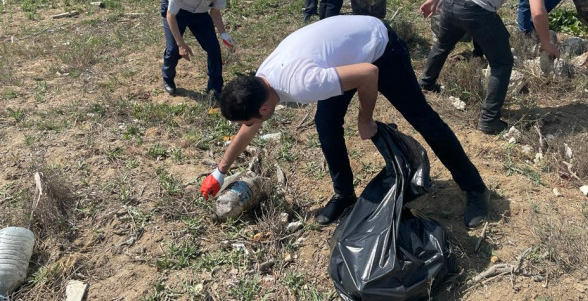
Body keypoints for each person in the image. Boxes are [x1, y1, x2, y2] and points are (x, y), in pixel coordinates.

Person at [201, 15, 490, 228]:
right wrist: (220, 171)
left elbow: (368, 74)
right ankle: (344, 195)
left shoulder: (303, 83)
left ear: (264, 108)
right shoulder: (261, 80)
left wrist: (365, 119)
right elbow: (249, 126)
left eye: (251, 119)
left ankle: (475, 188)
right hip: (341, 57)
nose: (250, 124)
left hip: (380, 48)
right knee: (326, 124)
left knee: (423, 118)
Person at [419, 0, 560, 134]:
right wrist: (546, 42)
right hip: (476, 8)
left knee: (443, 43)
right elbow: (538, 12)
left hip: (450, 0)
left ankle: (426, 83)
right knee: (502, 62)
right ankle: (489, 120)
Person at [160, 0, 234, 100]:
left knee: (213, 48)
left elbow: (215, 13)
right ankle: (168, 78)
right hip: (176, 12)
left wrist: (223, 34)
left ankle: (215, 87)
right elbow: (171, 15)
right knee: (173, 50)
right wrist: (181, 44)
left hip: (199, 13)